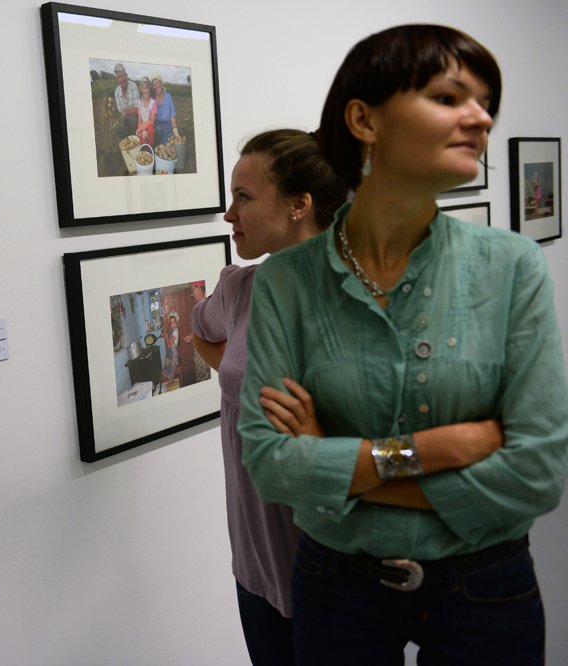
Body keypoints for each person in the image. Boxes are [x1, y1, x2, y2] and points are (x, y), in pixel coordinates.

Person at [238, 25, 568, 664]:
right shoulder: (288, 280)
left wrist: (347, 465)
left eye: (484, 103)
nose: (480, 117)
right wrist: (436, 450)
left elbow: (536, 475)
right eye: (450, 98)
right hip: (338, 587)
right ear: (364, 118)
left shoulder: (512, 266)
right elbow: (272, 464)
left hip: (485, 584)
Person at [190, 129, 348, 666]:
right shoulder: (240, 290)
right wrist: (247, 383)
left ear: (300, 205)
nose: (229, 214)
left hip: (340, 570)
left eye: (244, 197)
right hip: (257, 566)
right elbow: (201, 334)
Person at [112, 63, 140, 138]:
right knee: (119, 131)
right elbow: (121, 111)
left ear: (126, 75)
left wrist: (126, 112)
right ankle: (129, 135)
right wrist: (124, 114)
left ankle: (134, 135)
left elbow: (138, 109)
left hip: (135, 117)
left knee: (133, 120)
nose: (122, 79)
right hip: (125, 118)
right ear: (117, 79)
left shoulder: (133, 86)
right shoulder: (116, 92)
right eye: (119, 77)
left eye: (123, 75)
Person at [151, 72, 178, 145]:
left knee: (164, 147)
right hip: (156, 127)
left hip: (167, 127)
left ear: (161, 83)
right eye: (154, 85)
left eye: (157, 83)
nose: (156, 86)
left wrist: (175, 129)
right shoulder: (153, 99)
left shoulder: (168, 97)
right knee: (155, 145)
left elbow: (172, 115)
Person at [136, 77, 157, 146]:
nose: (145, 91)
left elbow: (152, 121)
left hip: (150, 127)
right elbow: (139, 121)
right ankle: (144, 151)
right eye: (143, 88)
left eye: (147, 88)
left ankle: (150, 149)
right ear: (141, 89)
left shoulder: (153, 103)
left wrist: (145, 129)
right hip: (142, 127)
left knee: (150, 130)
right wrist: (140, 130)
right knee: (141, 138)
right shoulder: (139, 103)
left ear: (150, 89)